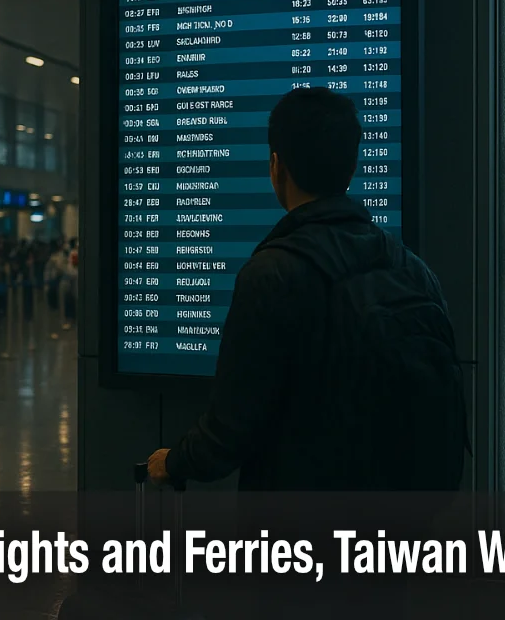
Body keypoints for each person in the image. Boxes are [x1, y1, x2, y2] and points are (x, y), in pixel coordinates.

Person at [147, 88, 466, 492]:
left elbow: (229, 432)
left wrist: (174, 462)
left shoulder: (272, 275)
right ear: (351, 169)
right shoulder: (413, 269)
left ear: (276, 166)